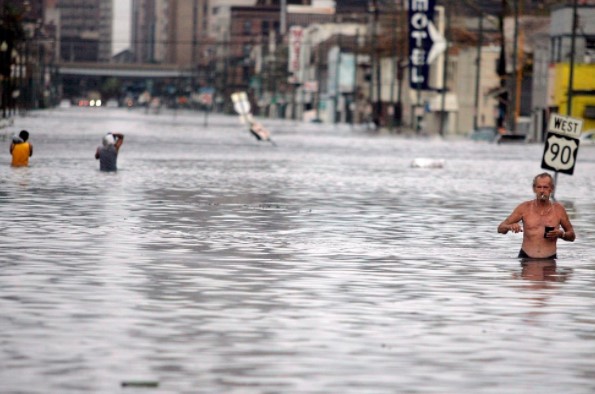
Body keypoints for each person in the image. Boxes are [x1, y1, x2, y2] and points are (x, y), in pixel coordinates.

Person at [498, 172, 575, 259]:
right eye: (539, 187)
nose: (542, 190)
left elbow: (572, 236)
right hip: (526, 258)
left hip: (549, 260)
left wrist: (562, 234)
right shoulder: (524, 208)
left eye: (545, 187)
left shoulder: (558, 209)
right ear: (534, 189)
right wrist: (510, 226)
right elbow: (500, 228)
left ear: (551, 189)